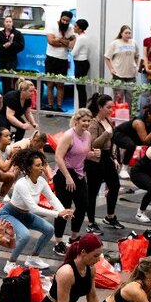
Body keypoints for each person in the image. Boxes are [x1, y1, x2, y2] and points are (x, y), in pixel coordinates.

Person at [0, 149, 71, 273]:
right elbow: (33, 208)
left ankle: (33, 258)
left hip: (25, 214)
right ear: (29, 168)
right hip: (9, 213)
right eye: (38, 165)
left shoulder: (41, 181)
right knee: (25, 235)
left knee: (49, 229)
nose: (42, 168)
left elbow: (52, 198)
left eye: (42, 164)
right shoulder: (21, 183)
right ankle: (10, 262)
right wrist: (58, 214)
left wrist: (64, 211)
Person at [52, 109, 95, 255]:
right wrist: (67, 177)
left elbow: (83, 152)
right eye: (84, 121)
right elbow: (58, 157)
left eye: (88, 121)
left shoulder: (88, 135)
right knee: (65, 207)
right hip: (64, 173)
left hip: (79, 172)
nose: (86, 124)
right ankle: (58, 241)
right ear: (76, 121)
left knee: (83, 204)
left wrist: (93, 154)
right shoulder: (68, 136)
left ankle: (74, 237)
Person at [85, 93, 123, 233]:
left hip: (106, 156)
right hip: (95, 159)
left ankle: (110, 216)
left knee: (115, 185)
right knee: (93, 191)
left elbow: (112, 142)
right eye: (108, 107)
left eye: (111, 107)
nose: (110, 110)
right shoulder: (93, 123)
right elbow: (93, 143)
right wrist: (106, 133)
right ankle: (91, 222)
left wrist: (114, 158)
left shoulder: (108, 119)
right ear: (100, 107)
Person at [114, 103, 151, 177]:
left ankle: (148, 168)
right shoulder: (139, 122)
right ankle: (124, 169)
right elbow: (145, 141)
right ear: (149, 114)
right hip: (119, 134)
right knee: (131, 145)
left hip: (134, 137)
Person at [43, 11, 75, 113]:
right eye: (63, 20)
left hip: (63, 59)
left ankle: (59, 106)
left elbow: (71, 44)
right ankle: (50, 105)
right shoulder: (52, 25)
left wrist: (59, 40)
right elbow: (51, 41)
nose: (65, 22)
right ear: (60, 18)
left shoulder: (71, 28)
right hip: (51, 58)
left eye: (67, 21)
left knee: (60, 84)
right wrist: (64, 41)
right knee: (50, 83)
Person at [104, 25, 140, 106]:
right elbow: (107, 57)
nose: (128, 35)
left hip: (131, 76)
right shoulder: (115, 43)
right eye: (126, 33)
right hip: (118, 75)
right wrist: (111, 69)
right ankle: (117, 117)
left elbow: (137, 56)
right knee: (118, 98)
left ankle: (130, 117)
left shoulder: (134, 43)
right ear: (121, 33)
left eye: (129, 33)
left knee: (130, 100)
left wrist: (136, 67)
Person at [0, 16, 25, 92]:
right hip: (2, 60)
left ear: (12, 23)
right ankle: (5, 96)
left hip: (12, 60)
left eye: (10, 22)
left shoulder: (17, 33)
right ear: (4, 23)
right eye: (6, 22)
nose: (8, 23)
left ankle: (12, 95)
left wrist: (12, 44)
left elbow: (21, 46)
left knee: (11, 80)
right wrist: (4, 46)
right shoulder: (0, 34)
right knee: (4, 80)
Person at [72, 19, 91, 109]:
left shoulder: (81, 38)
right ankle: (82, 108)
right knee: (81, 88)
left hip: (80, 63)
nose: (74, 28)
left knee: (80, 88)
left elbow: (74, 52)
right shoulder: (83, 37)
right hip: (82, 63)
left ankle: (82, 108)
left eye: (75, 26)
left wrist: (69, 49)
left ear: (80, 29)